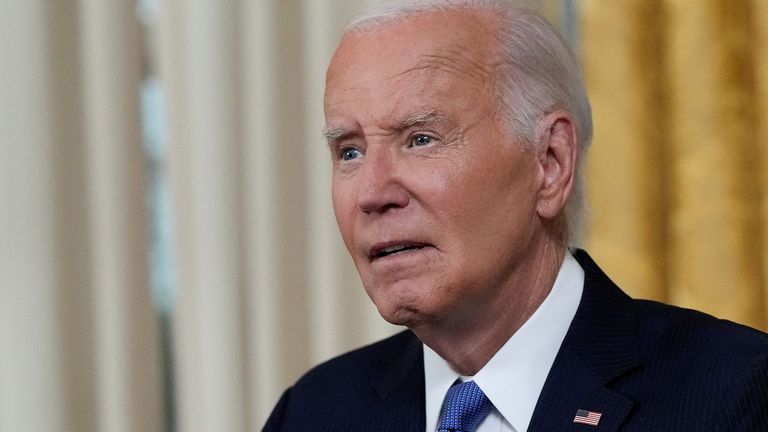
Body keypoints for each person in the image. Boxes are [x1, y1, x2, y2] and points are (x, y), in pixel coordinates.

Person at [264, 1, 768, 430]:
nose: (372, 193)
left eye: (420, 139)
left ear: (550, 163)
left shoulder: (734, 395)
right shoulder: (314, 412)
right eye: (349, 152)